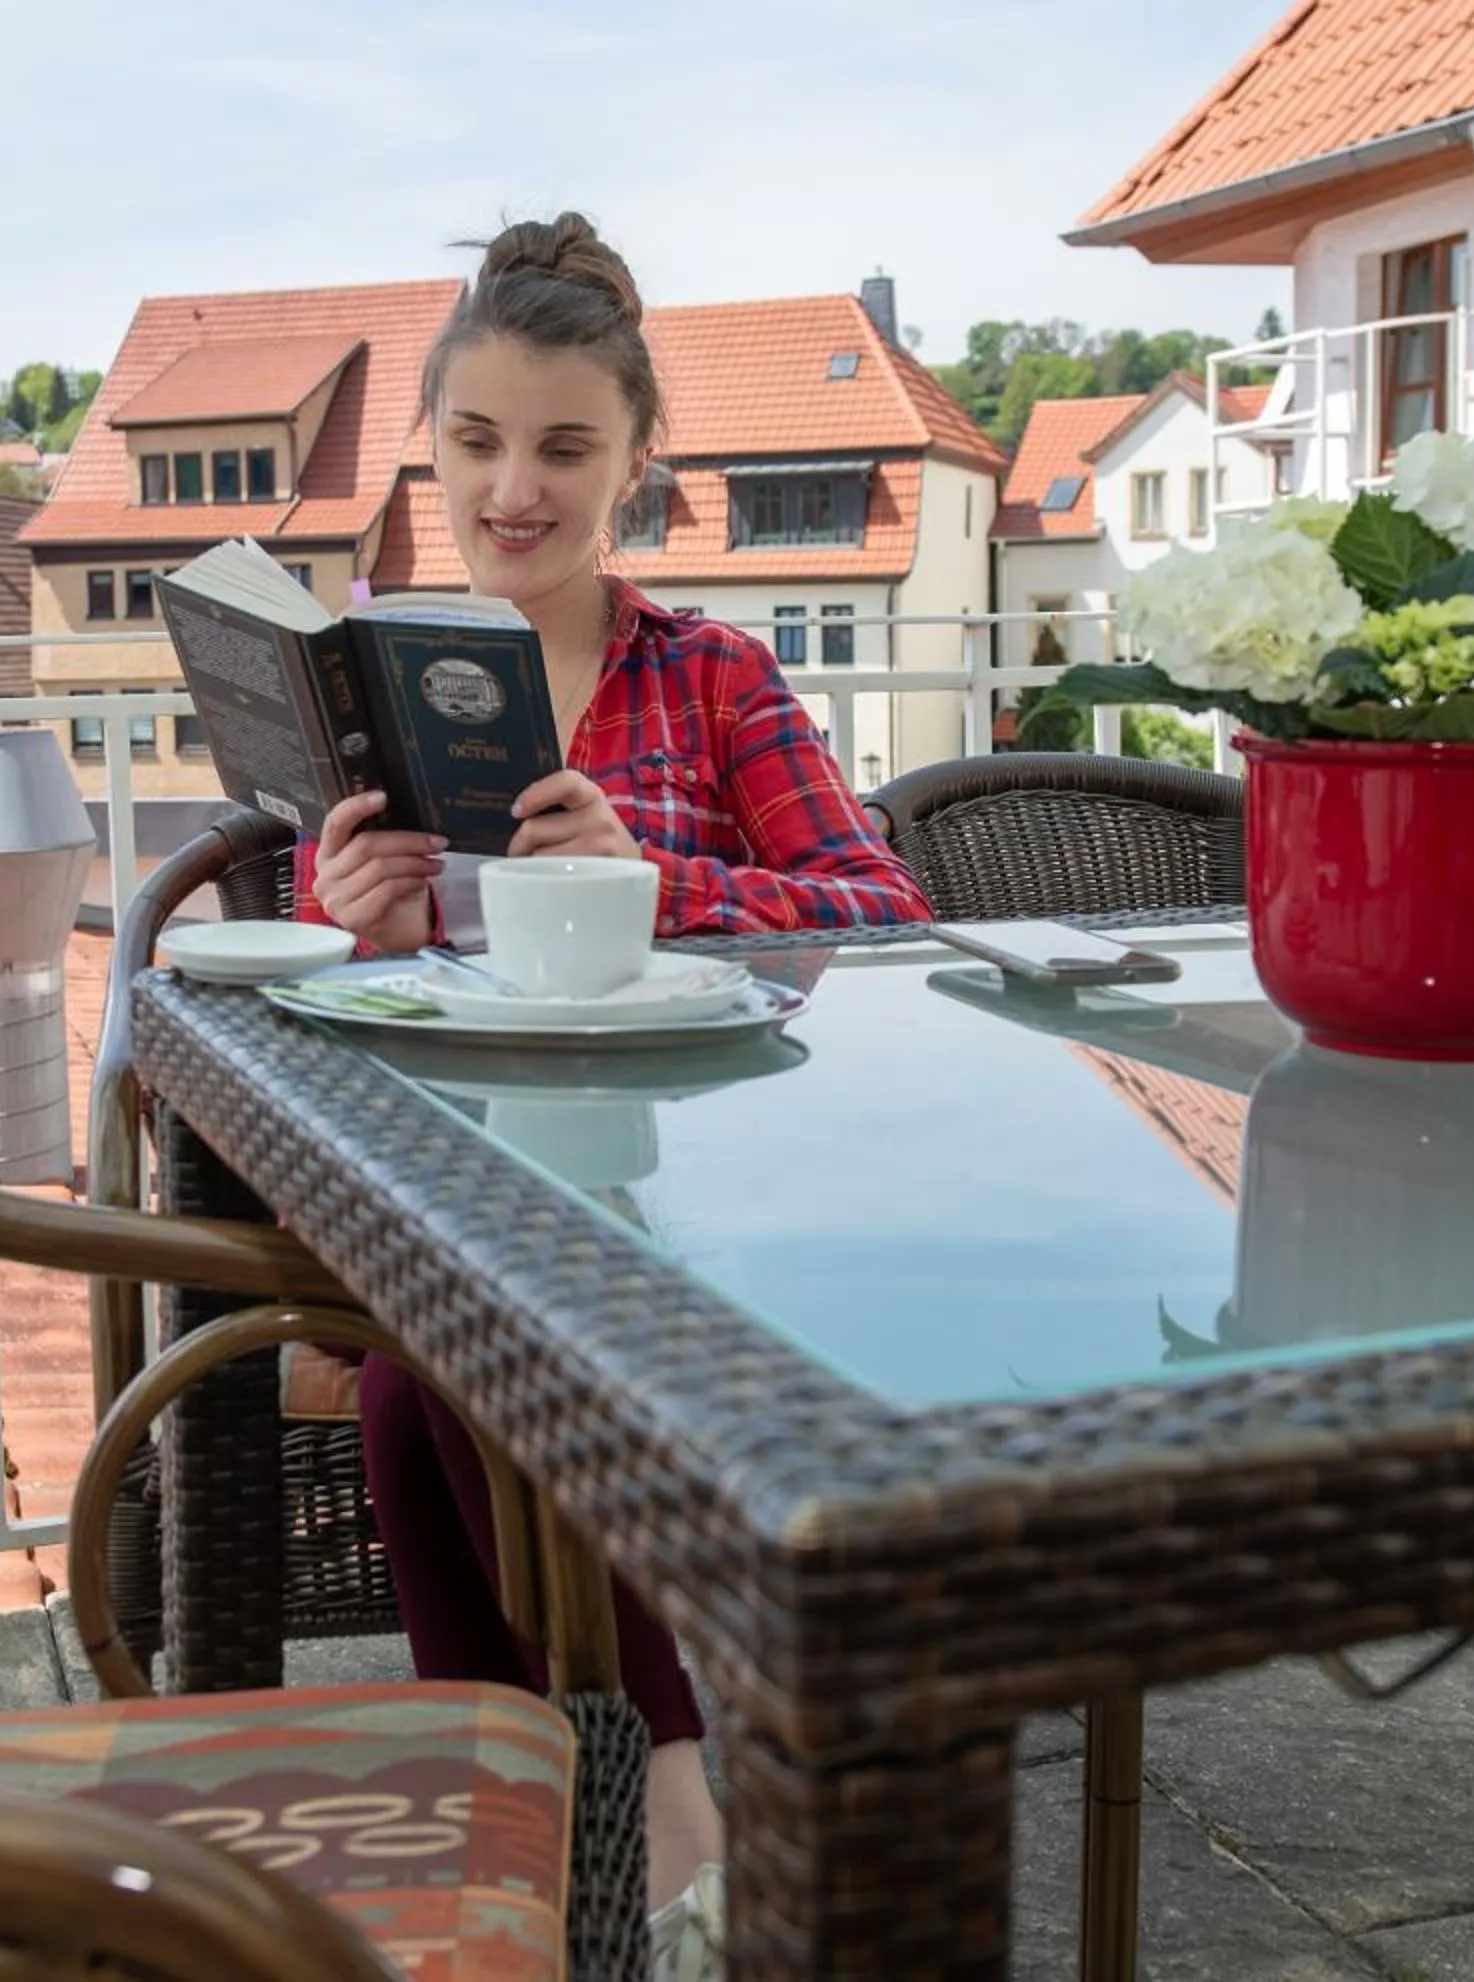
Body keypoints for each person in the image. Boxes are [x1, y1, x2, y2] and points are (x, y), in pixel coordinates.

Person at [298, 210, 932, 1979]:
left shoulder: (710, 677)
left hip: (700, 1190)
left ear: (637, 460)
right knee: (439, 1346)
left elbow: (886, 913)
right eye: (480, 441)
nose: (517, 487)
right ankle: (657, 1799)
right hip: (444, 1178)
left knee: (426, 1377)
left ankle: (548, 1826)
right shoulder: (369, 684)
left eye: (566, 446)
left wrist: (656, 877)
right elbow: (322, 975)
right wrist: (356, 915)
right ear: (432, 449)